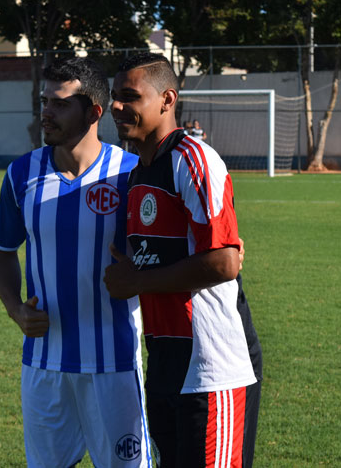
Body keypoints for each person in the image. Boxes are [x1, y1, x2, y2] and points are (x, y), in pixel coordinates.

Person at [0, 57, 152, 468]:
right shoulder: (21, 174)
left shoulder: (132, 175)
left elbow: (162, 258)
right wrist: (14, 310)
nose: (46, 112)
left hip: (113, 362)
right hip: (44, 363)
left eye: (59, 104)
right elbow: (2, 249)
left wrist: (138, 279)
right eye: (45, 101)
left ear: (94, 111)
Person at [105, 53, 261, 468]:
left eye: (130, 96)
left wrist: (137, 281)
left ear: (167, 99)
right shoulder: (139, 173)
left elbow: (225, 262)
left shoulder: (191, 159)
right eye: (114, 96)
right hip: (165, 366)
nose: (117, 106)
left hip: (211, 370)